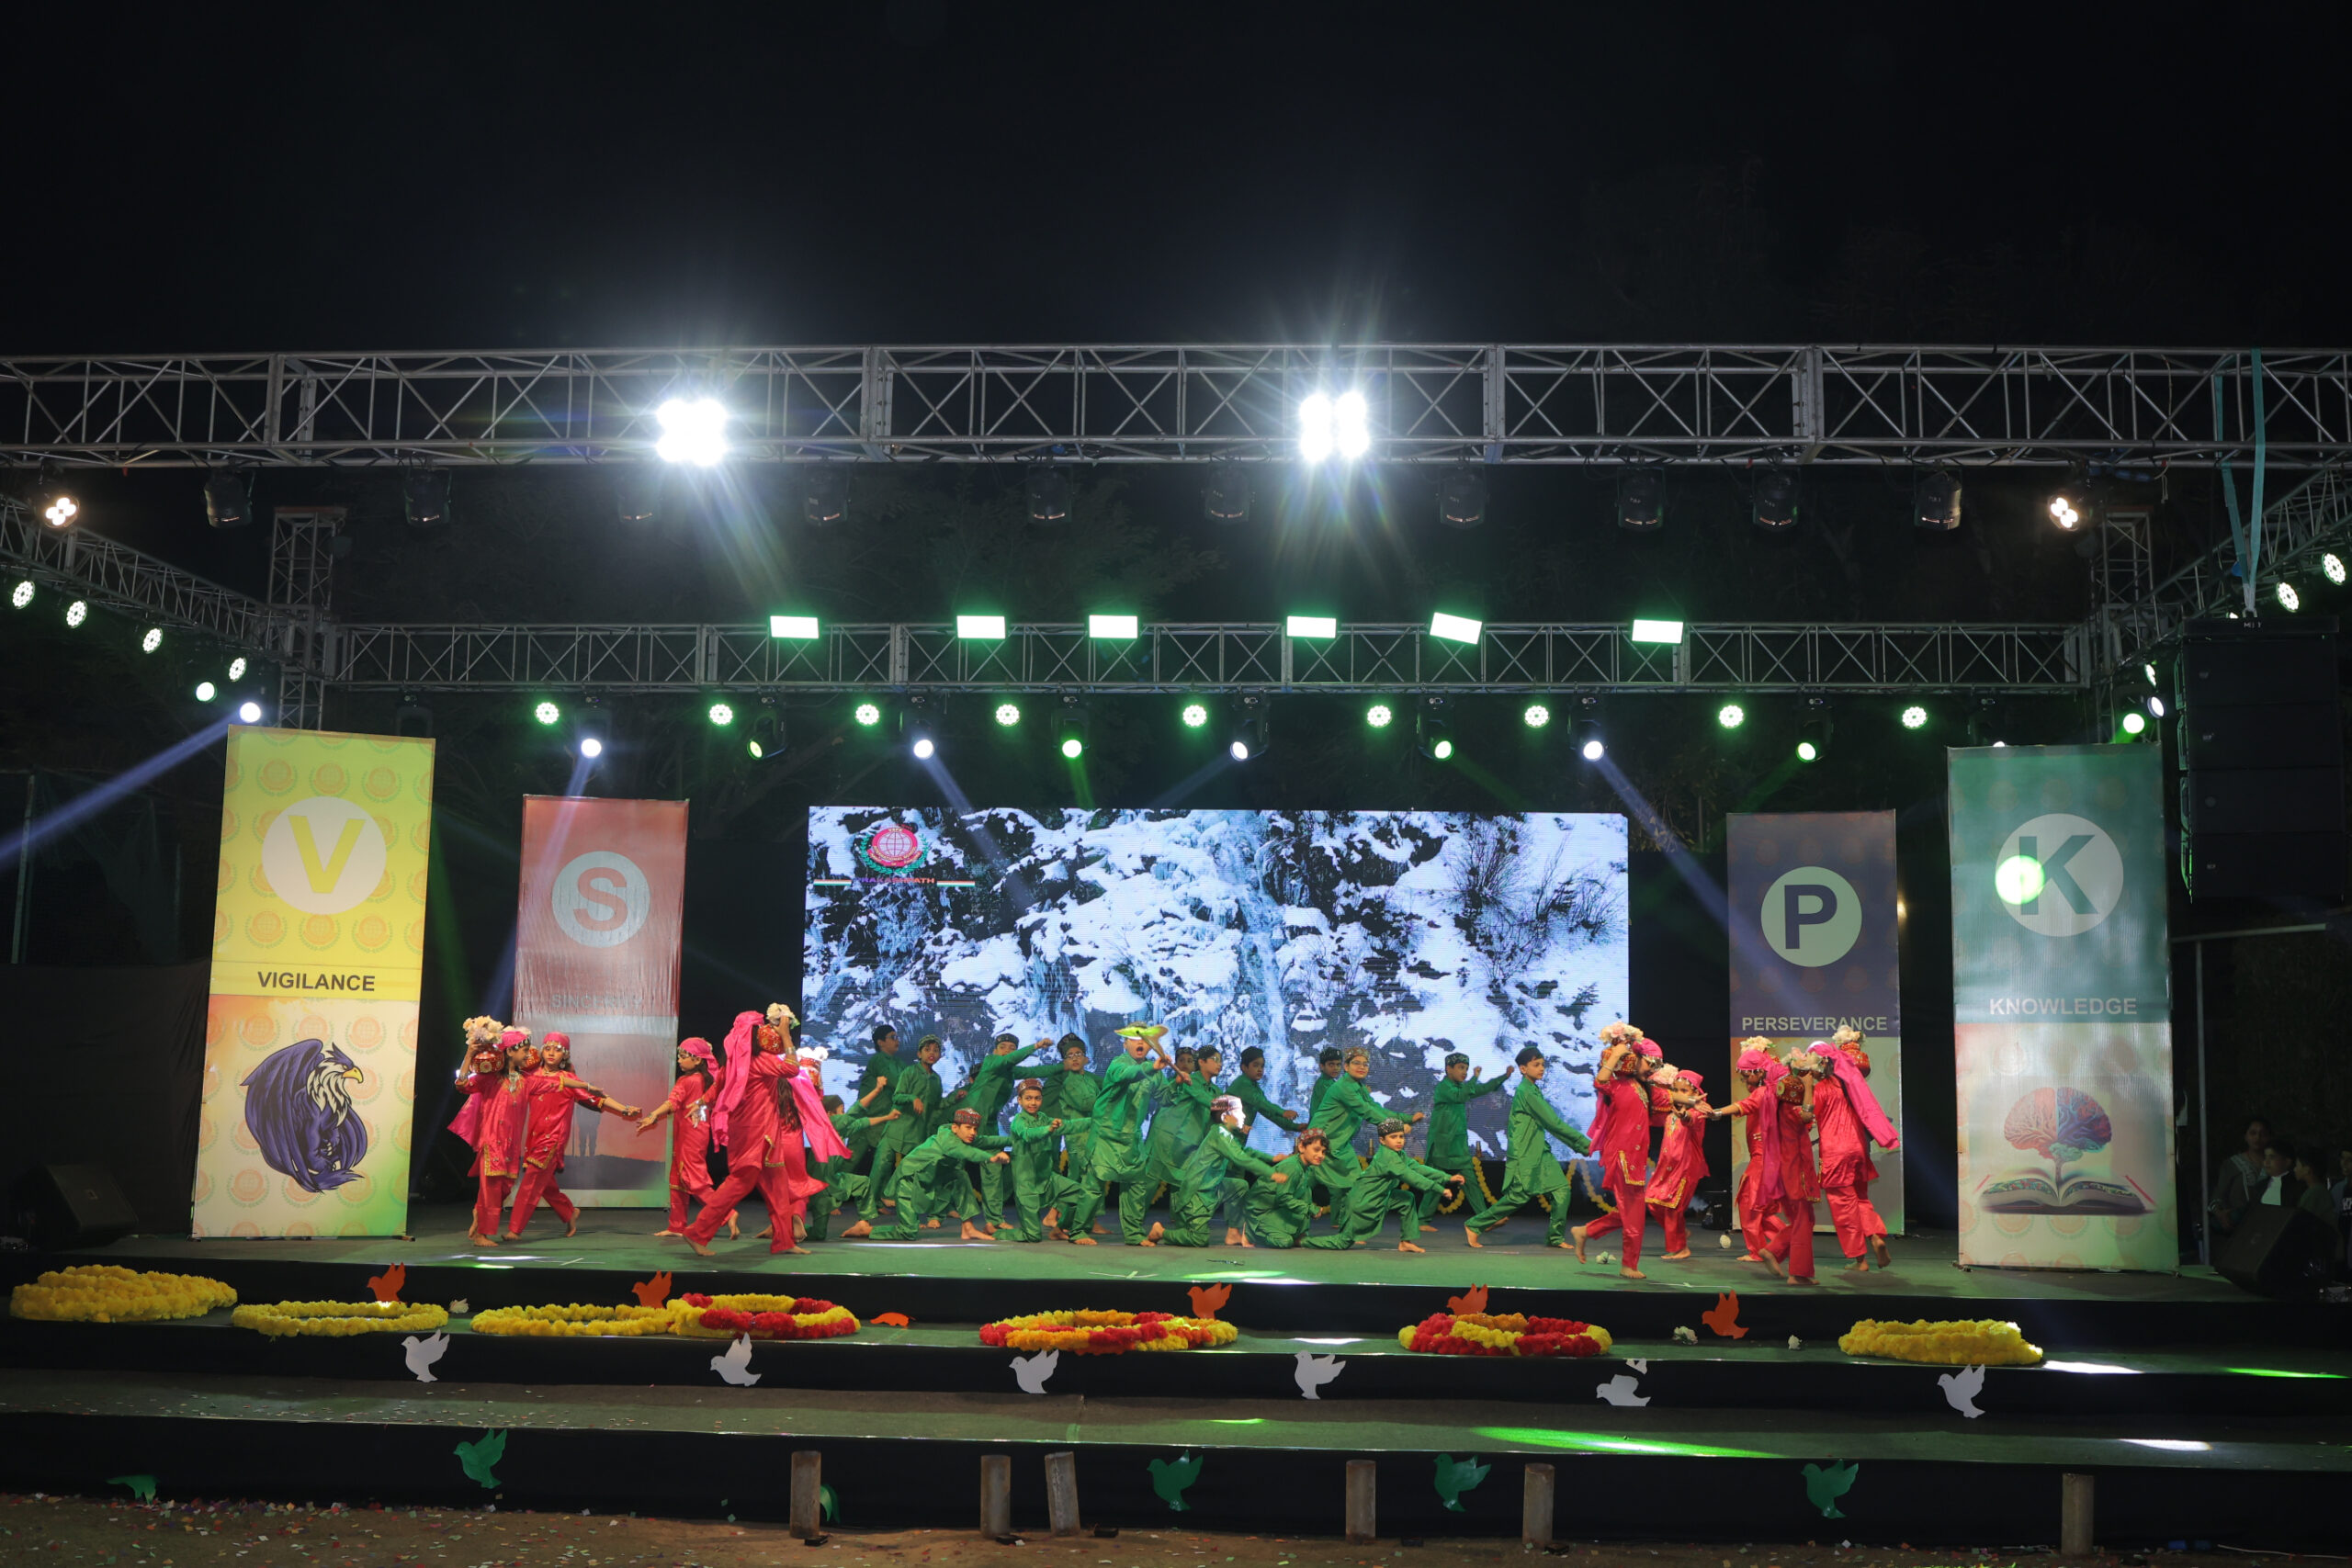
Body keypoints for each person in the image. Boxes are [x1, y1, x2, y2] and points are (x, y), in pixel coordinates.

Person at [684, 1010, 845, 1257]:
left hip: (757, 1133)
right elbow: (792, 1069)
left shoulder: (736, 1062)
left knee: (778, 1188)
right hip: (757, 1135)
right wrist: (786, 1036)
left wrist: (701, 1102)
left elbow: (717, 1087)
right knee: (738, 1184)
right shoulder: (760, 1061)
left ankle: (784, 1241)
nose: (765, 1032)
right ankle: (697, 1232)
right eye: (760, 1029)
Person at [507, 1032, 641, 1240]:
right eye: (548, 1048)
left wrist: (624, 1109)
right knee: (545, 1183)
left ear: (565, 1055)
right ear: (541, 1051)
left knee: (532, 1181)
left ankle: (514, 1230)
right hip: (534, 1137)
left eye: (557, 1050)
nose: (551, 1053)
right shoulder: (531, 1075)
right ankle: (569, 1212)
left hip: (553, 1138)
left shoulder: (569, 1080)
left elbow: (597, 1098)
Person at [1464, 1046, 1591, 1248]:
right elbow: (1553, 1123)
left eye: (1543, 1065)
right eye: (1536, 1065)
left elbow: (1551, 1125)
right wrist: (1585, 1144)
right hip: (1525, 1154)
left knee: (1561, 1191)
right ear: (1523, 1069)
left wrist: (1583, 1146)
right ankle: (1474, 1225)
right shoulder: (1526, 1092)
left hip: (1540, 1151)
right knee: (1518, 1196)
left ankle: (1555, 1237)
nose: (1541, 1068)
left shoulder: (1532, 1089)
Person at [1064, 1026, 1173, 1246]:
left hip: (1131, 1137)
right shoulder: (1118, 1064)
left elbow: (1165, 1097)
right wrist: (1151, 1067)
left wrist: (1178, 1084)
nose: (1139, 1043)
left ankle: (1134, 1234)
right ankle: (1078, 1231)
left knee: (1136, 1185)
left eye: (1144, 1040)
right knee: (1093, 1185)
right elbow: (1126, 1075)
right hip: (1106, 1134)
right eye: (1134, 1039)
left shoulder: (1155, 1071)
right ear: (1125, 1044)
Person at [846, 1109, 1010, 1241]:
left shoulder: (963, 1137)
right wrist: (991, 1157)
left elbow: (987, 1141)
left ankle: (968, 1228)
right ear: (955, 1128)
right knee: (908, 1232)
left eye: (975, 1129)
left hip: (930, 1179)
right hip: (909, 1181)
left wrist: (1014, 1140)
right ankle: (867, 1230)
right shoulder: (947, 1140)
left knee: (960, 1176)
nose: (973, 1132)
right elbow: (964, 1152)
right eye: (968, 1128)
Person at [634, 1036, 737, 1239]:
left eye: (683, 1056)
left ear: (697, 1060)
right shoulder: (705, 1081)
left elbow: (673, 1102)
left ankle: (727, 1213)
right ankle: (676, 1225)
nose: (680, 1060)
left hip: (690, 1137)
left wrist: (653, 1115)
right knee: (678, 1179)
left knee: (694, 1181)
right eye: (679, 1056)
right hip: (692, 1134)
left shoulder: (688, 1081)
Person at [1572, 1034, 1657, 1279]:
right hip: (1622, 1155)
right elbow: (1600, 1080)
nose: (1652, 1069)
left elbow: (1670, 1099)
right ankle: (1628, 1265)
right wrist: (1618, 1052)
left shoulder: (1642, 1088)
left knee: (1631, 1212)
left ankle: (1586, 1231)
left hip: (1635, 1158)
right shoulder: (1617, 1086)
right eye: (1649, 1062)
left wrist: (1694, 1102)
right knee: (1634, 1212)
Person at [1308, 1117, 1461, 1252]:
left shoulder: (1398, 1154)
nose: (1399, 1141)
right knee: (1342, 1243)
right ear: (1382, 1140)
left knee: (1406, 1199)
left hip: (1381, 1198)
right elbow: (1412, 1177)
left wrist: (1447, 1177)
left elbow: (1418, 1168)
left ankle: (1406, 1242)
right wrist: (1440, 1189)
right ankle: (1304, 1241)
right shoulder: (1387, 1158)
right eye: (1393, 1137)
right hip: (1364, 1202)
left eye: (1401, 1136)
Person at [1815, 1032, 1900, 1271]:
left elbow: (1807, 1117)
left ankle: (1859, 1259)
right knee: (1860, 1199)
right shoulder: (1855, 1088)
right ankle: (1875, 1236)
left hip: (1836, 1153)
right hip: (1859, 1149)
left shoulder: (1822, 1088)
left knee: (1843, 1206)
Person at [953, 1032, 1060, 1223]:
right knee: (954, 1166)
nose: (1007, 1052)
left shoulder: (1010, 1071)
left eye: (1012, 1049)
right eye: (1003, 1048)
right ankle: (940, 1212)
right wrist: (1035, 1046)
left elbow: (1036, 1071)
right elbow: (1008, 1060)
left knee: (993, 1170)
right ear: (995, 1050)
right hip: (968, 1119)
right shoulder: (991, 1062)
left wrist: (1064, 1066)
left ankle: (994, 1220)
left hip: (989, 1123)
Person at [1152, 1094, 1284, 1247]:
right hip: (1198, 1193)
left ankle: (1233, 1233)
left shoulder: (1223, 1134)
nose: (1243, 1115)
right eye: (1238, 1111)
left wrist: (1272, 1158)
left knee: (1240, 1186)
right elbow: (1241, 1158)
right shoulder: (1220, 1135)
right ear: (1225, 1117)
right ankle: (1160, 1232)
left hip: (1212, 1188)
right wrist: (1271, 1173)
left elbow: (1244, 1151)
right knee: (1198, 1239)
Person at [449, 1025, 531, 1247]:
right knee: (491, 1188)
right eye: (525, 1050)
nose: (528, 1055)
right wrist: (469, 1055)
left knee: (506, 1186)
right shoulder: (489, 1078)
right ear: (510, 1051)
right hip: (492, 1140)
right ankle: (481, 1235)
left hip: (512, 1144)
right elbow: (462, 1084)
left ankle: (479, 1213)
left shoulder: (524, 1080)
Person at [1759, 1050, 1823, 1284]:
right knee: (1803, 1219)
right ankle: (1798, 1273)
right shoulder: (1790, 1107)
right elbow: (1807, 1115)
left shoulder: (1777, 1106)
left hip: (1787, 1167)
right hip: (1795, 1168)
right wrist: (1808, 1086)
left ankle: (1774, 1250)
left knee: (1803, 1219)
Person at [869, 1033, 947, 1215]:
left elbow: (936, 1106)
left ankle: (907, 1208)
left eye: (936, 1050)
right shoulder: (910, 1072)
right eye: (927, 1050)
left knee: (911, 1172)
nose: (932, 1053)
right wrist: (913, 1098)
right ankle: (868, 1205)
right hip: (897, 1127)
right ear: (919, 1054)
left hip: (916, 1132)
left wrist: (954, 1098)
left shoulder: (936, 1080)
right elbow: (897, 1096)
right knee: (881, 1166)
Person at [804, 1093, 899, 1242]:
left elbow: (862, 1123)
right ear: (829, 1114)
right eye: (841, 1111)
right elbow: (856, 1110)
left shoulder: (839, 1129)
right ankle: (789, 1229)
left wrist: (887, 1117)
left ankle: (863, 1223)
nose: (844, 1114)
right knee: (818, 1234)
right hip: (819, 1186)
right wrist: (877, 1090)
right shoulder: (825, 1124)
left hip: (834, 1180)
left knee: (863, 1183)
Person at [1424, 1051, 1509, 1216]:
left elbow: (1483, 1089)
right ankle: (1422, 1219)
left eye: (1467, 1069)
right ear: (1449, 1069)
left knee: (1471, 1182)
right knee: (1436, 1183)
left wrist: (1504, 1077)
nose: (1465, 1072)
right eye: (1461, 1067)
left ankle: (1483, 1219)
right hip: (1442, 1146)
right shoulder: (1444, 1088)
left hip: (1458, 1145)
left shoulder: (1462, 1087)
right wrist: (1475, 1077)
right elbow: (1460, 1096)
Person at [1716, 1041, 1779, 1260]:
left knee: (1749, 1203)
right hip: (1765, 1157)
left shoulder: (1763, 1092)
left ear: (1759, 1072)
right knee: (1761, 1208)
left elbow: (1743, 1106)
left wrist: (1716, 1113)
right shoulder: (1767, 1090)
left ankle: (1761, 1251)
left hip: (1763, 1158)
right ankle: (1782, 1243)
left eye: (1745, 1076)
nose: (1743, 1081)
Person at [1004, 1078, 1081, 1243]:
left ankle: (1060, 1228)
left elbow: (1068, 1126)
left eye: (1037, 1098)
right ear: (1019, 1100)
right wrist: (1049, 1129)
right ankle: (996, 1234)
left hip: (1047, 1179)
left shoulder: (1044, 1118)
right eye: (1028, 1098)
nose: (1033, 1103)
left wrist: (1095, 1122)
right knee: (1032, 1236)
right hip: (1027, 1184)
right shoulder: (1018, 1121)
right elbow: (1029, 1135)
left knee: (1080, 1194)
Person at [1645, 1069, 1710, 1260]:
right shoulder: (1670, 1113)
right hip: (1666, 1167)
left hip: (1686, 1166)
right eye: (1675, 1090)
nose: (1679, 1094)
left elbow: (1691, 1120)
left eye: (1684, 1091)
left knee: (1673, 1207)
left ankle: (1680, 1248)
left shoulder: (1698, 1112)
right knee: (1652, 1201)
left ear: (1696, 1093)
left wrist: (1685, 1116)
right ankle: (1679, 1233)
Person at [1244, 1130, 1331, 1248]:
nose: (1321, 1155)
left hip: (1275, 1206)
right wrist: (1309, 1209)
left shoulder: (1306, 1168)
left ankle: (1300, 1233)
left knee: (1306, 1191)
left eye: (1323, 1152)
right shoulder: (1292, 1167)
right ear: (1301, 1147)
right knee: (1285, 1242)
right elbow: (1283, 1198)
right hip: (1260, 1211)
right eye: (1316, 1150)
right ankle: (1251, 1233)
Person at [2209, 1117, 2272, 1237]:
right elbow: (2218, 1196)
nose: (2257, 1138)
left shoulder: (2275, 1164)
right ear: (2245, 1136)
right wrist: (2220, 1214)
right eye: (2253, 1133)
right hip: (2238, 1228)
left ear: (2269, 1137)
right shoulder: (2232, 1164)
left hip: (2268, 1226)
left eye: (2263, 1134)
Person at [1231, 1046, 1304, 1140]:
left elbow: (1268, 1113)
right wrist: (1283, 1112)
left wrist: (1295, 1127)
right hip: (1227, 1136)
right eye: (1255, 1065)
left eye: (1262, 1066)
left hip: (1236, 1137)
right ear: (1244, 1067)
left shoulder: (1255, 1087)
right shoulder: (1242, 1083)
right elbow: (1262, 1103)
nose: (1260, 1069)